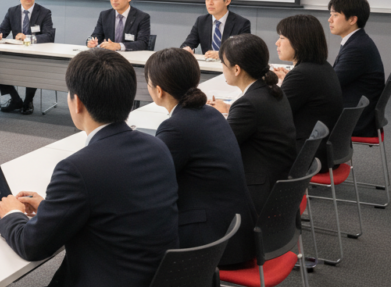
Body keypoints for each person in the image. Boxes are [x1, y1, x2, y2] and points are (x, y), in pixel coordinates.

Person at [0, 49, 178, 287]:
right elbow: (114, 205)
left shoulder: (78, 168)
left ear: (76, 102)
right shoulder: (156, 146)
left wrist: (11, 213)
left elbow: (33, 245)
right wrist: (54, 207)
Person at [145, 48, 257, 266]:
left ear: (159, 90)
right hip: (237, 231)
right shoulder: (210, 113)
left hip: (212, 242)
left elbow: (150, 182)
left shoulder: (176, 127)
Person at [210, 34, 297, 213]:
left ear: (236, 69)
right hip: (279, 184)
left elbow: (218, 147)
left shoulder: (249, 103)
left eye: (223, 64)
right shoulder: (271, 92)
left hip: (260, 191)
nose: (222, 68)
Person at [274, 15, 343, 171]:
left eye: (282, 38)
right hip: (323, 149)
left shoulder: (302, 74)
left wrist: (231, 109)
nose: (277, 43)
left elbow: (274, 114)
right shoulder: (321, 66)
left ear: (299, 42)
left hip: (308, 154)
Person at [0, 0, 55, 115]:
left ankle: (28, 101)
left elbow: (49, 36)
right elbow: (1, 30)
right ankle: (15, 99)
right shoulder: (12, 12)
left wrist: (28, 38)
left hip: (36, 54)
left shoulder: (44, 12)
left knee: (32, 66)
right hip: (16, 53)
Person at [328, 0, 385, 137]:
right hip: (355, 110)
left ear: (352, 19)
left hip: (355, 119)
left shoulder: (357, 48)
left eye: (335, 15)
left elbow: (331, 83)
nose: (329, 20)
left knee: (303, 117)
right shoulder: (357, 41)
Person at [181, 0, 252, 59]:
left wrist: (222, 54)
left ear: (227, 1)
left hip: (230, 68)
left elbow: (244, 51)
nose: (210, 3)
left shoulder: (241, 23)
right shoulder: (201, 21)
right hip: (207, 67)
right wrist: (186, 49)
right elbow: (188, 43)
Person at [87, 0, 151, 51]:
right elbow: (95, 36)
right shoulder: (104, 15)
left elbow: (143, 44)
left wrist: (118, 46)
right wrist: (91, 42)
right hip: (108, 57)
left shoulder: (142, 17)